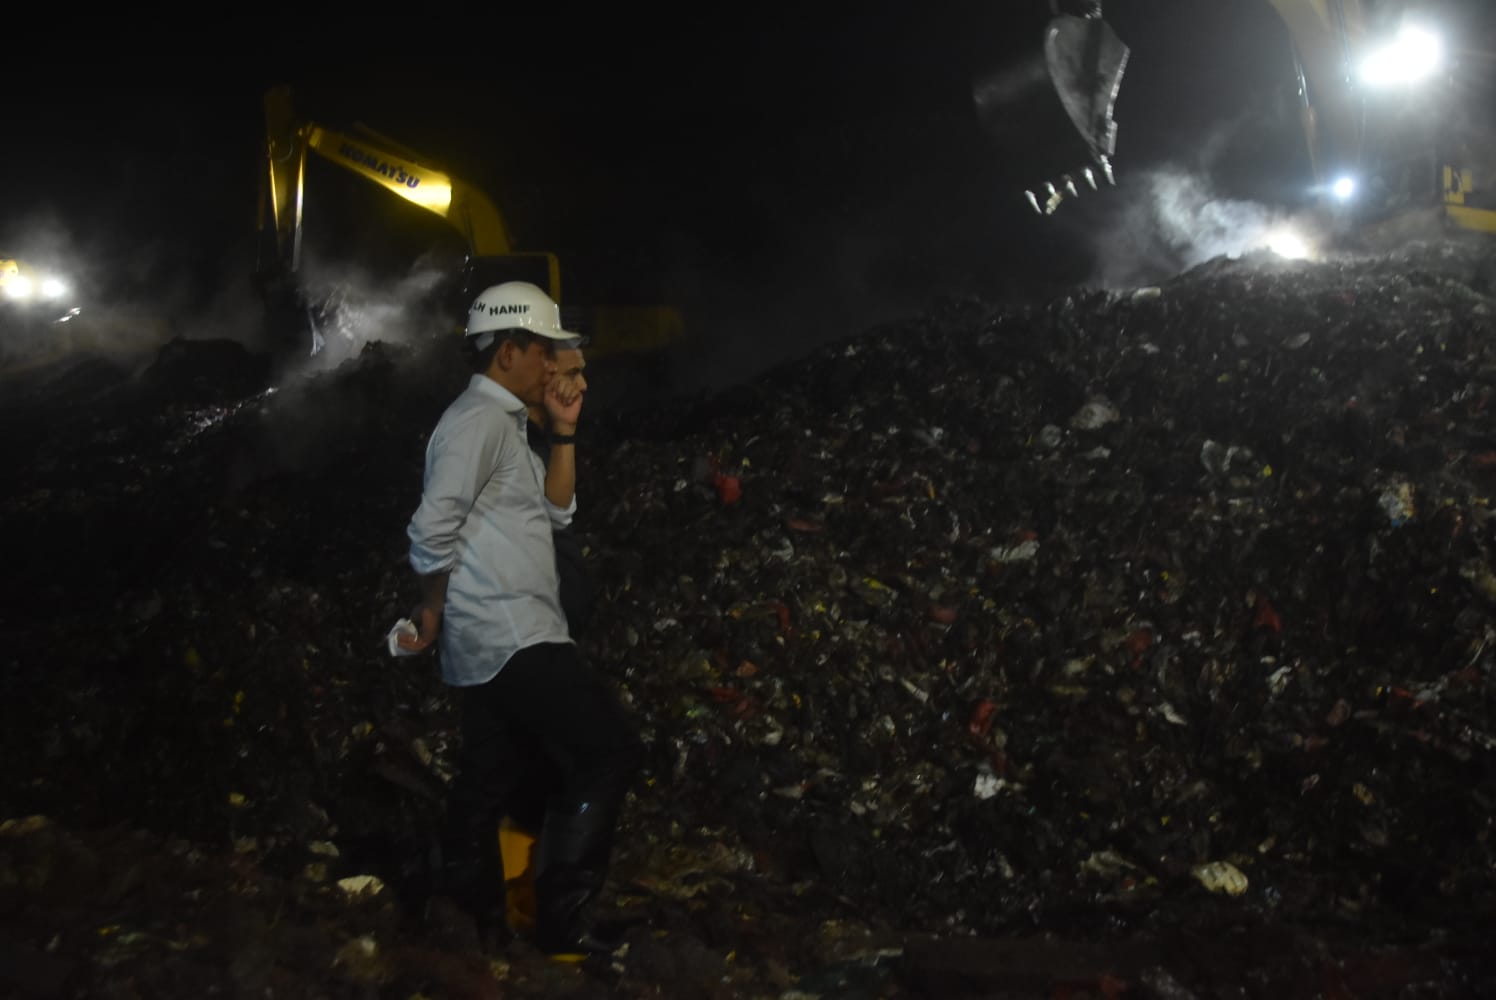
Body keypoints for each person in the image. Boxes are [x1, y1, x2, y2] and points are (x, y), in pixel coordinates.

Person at [398, 280, 642, 958]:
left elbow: (556, 509)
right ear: (508, 351)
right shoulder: (477, 423)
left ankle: (473, 915)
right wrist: (433, 605)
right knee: (607, 749)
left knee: (489, 780)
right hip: (511, 634)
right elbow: (429, 532)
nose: (552, 365)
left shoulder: (502, 423)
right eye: (543, 351)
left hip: (502, 637)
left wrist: (563, 431)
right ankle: (564, 924)